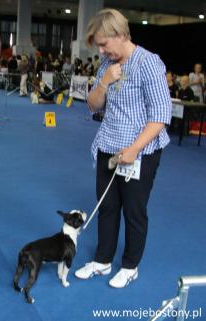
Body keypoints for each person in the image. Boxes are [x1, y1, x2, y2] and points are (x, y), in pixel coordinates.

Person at [75, 8, 172, 288]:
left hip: (140, 151)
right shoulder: (106, 65)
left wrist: (133, 150)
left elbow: (161, 116)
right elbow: (93, 105)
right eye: (99, 47)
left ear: (119, 35)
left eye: (104, 44)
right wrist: (105, 81)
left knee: (133, 209)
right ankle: (102, 260)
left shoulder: (149, 63)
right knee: (106, 206)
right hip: (108, 145)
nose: (102, 51)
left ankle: (130, 265)